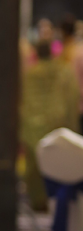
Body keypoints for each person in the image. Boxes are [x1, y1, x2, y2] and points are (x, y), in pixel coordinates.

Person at [20, 37, 80, 210]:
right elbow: (70, 100)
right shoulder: (63, 72)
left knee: (36, 169)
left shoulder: (31, 74)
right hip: (57, 127)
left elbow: (25, 101)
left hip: (32, 130)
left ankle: (40, 203)